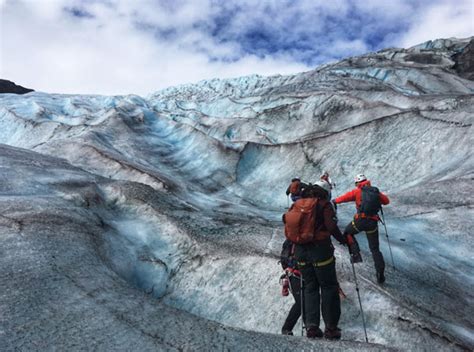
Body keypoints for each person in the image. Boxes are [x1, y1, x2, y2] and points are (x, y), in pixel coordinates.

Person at [283, 181, 346, 339]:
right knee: (328, 287)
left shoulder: (298, 203)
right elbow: (331, 227)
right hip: (320, 251)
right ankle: (331, 329)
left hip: (300, 252)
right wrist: (344, 240)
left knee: (310, 287)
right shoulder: (324, 204)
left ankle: (312, 328)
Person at [333, 174, 390, 284]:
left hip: (360, 221)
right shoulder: (375, 191)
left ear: (357, 183)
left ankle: (356, 255)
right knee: (375, 249)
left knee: (348, 232)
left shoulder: (357, 191)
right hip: (372, 222)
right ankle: (380, 273)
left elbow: (344, 198)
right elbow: (386, 201)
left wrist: (334, 201)